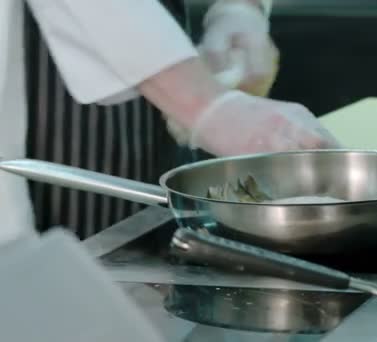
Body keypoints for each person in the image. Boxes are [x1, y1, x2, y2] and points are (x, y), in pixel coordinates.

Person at [0, 0, 340, 245]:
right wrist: (208, 104)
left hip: (158, 53)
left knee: (144, 253)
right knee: (70, 279)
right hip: (44, 65)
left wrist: (243, 6)